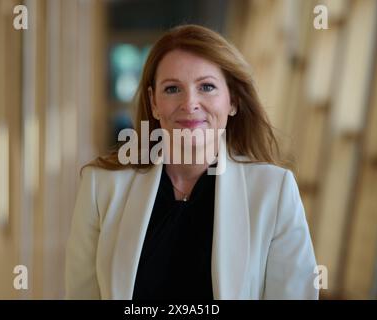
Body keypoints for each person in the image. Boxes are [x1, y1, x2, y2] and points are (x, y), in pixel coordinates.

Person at [65, 24, 318, 300]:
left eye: (206, 87)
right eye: (173, 89)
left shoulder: (274, 191)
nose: (190, 103)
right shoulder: (101, 186)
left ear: (232, 100)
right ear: (154, 103)